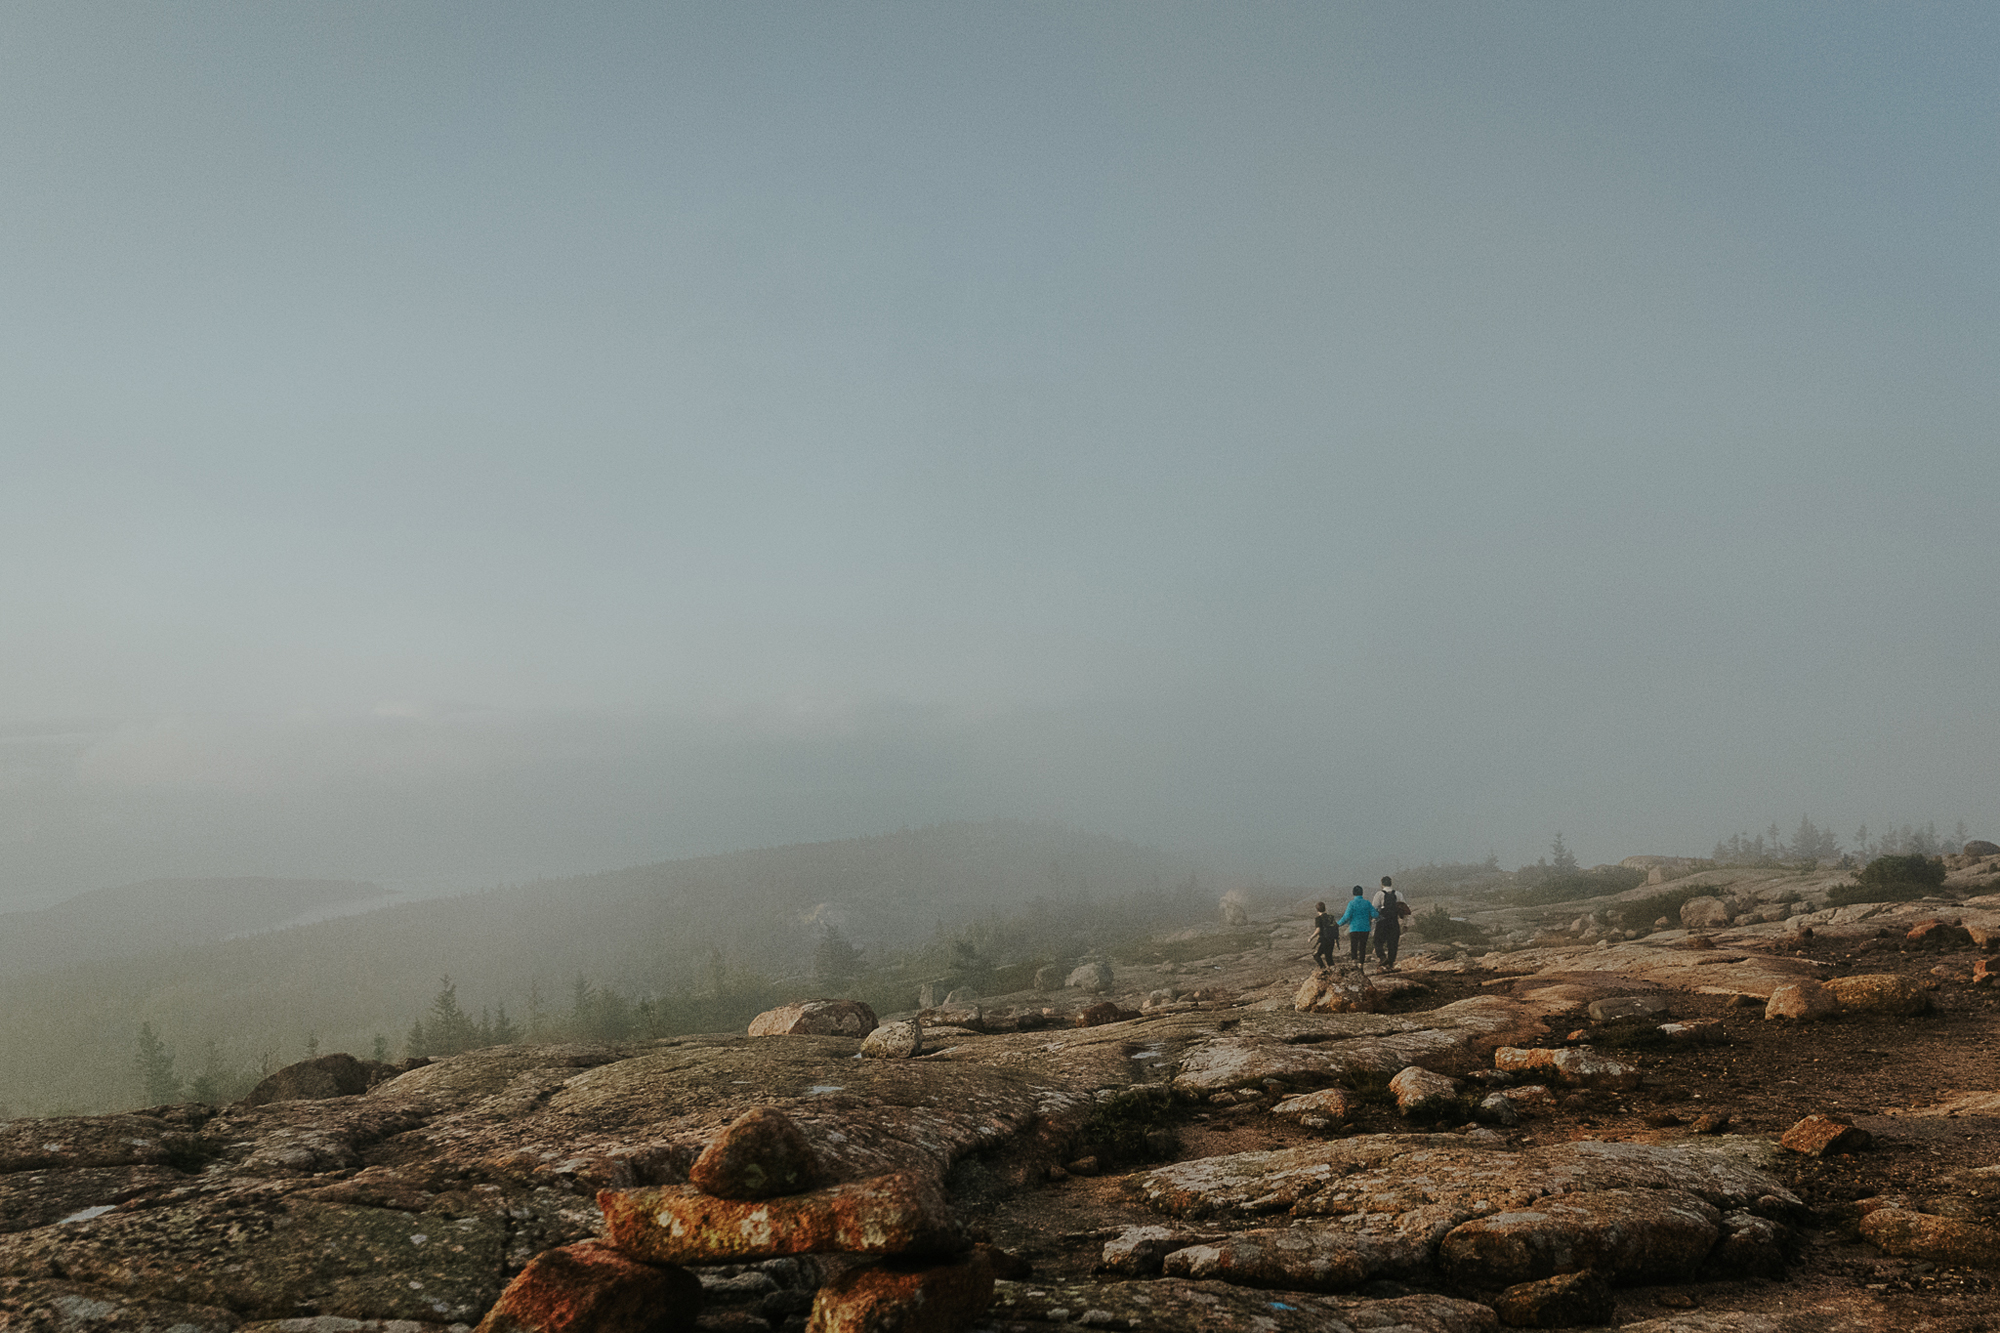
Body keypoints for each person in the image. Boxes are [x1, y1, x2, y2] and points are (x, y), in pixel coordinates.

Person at [1338, 885, 1377, 966]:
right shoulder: (1367, 903)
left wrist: (1338, 924)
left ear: (1353, 893)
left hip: (1354, 928)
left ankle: (1354, 963)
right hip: (1365, 929)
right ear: (1362, 893)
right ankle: (1361, 965)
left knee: (1354, 946)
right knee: (1363, 947)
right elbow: (1374, 914)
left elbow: (1346, 916)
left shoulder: (1351, 903)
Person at [1374, 875, 1408, 969]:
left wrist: (1374, 919)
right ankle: (1391, 963)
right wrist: (1405, 923)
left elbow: (1374, 909)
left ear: (1382, 884)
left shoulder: (1379, 894)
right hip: (1394, 921)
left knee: (1377, 941)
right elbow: (1404, 909)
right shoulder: (1398, 894)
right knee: (1393, 943)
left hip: (1382, 921)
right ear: (1391, 883)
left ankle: (1382, 957)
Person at [1310, 900, 1338, 968]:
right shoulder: (1331, 917)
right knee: (1329, 958)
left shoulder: (1318, 918)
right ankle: (1333, 972)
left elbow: (1318, 930)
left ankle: (1323, 969)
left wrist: (1311, 937)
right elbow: (1336, 927)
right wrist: (1336, 940)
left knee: (1316, 955)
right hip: (1331, 940)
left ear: (1317, 910)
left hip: (1324, 940)